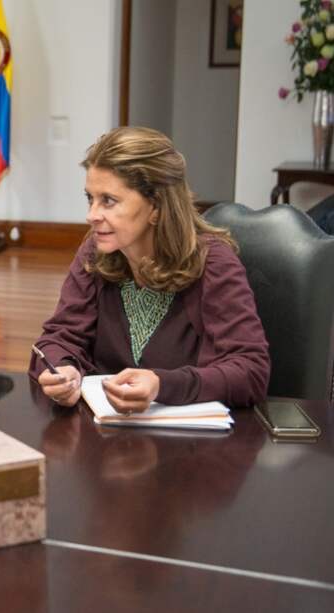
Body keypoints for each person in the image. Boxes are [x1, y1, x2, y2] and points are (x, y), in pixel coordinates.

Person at [30, 126, 270, 413]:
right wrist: (63, 369)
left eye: (108, 200)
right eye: (90, 198)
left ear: (156, 206)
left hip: (193, 447)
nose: (91, 215)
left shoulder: (213, 262)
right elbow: (59, 337)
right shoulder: (95, 253)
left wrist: (162, 385)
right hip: (103, 440)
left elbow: (251, 371)